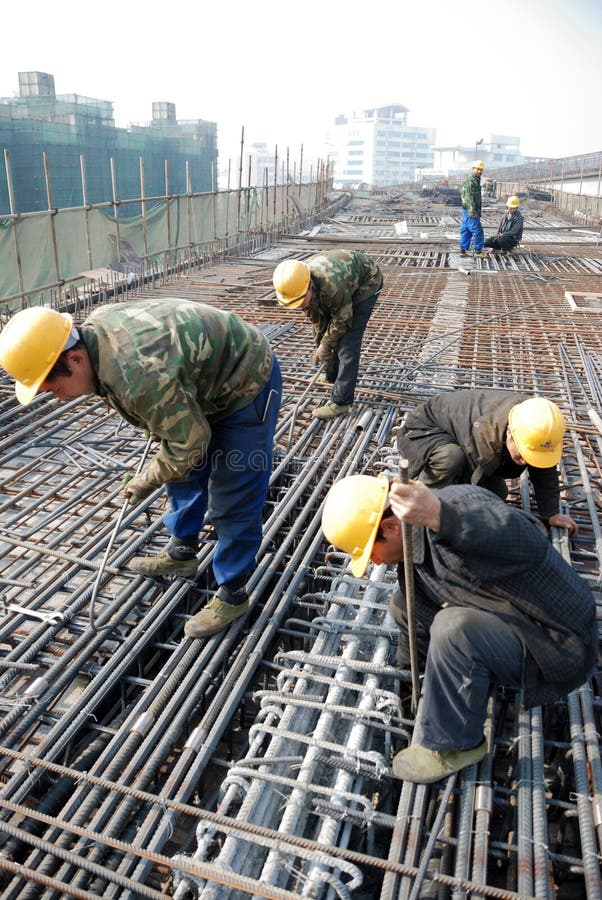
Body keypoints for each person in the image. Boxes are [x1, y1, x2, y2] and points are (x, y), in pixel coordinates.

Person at [0, 299, 282, 639]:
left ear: (75, 359)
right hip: (200, 379)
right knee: (182, 468)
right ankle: (182, 552)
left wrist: (145, 481)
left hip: (245, 380)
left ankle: (233, 592)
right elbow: (176, 431)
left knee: (233, 491)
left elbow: (189, 442)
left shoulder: (138, 376)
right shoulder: (95, 337)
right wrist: (159, 427)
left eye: (56, 388)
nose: (60, 398)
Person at [321, 474, 597, 783]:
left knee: (453, 629)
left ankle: (455, 746)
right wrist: (410, 685)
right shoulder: (416, 552)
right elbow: (416, 614)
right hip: (513, 619)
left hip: (556, 641)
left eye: (370, 553)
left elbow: (527, 537)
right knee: (403, 604)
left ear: (390, 527)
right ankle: (451, 696)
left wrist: (444, 518)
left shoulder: (455, 512)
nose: (374, 563)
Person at [396, 389, 578, 534]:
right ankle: (422, 507)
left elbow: (544, 468)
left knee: (497, 494)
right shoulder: (485, 436)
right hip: (424, 431)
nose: (525, 462)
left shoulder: (536, 425)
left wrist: (551, 513)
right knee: (451, 459)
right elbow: (468, 494)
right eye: (522, 454)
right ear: (510, 433)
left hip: (462, 434)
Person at [272, 250, 383, 419]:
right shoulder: (299, 284)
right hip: (342, 280)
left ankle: (341, 401)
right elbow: (318, 322)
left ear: (310, 285)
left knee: (348, 342)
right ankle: (331, 373)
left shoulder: (332, 287)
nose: (299, 306)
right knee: (324, 334)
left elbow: (342, 320)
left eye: (300, 300)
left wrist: (325, 345)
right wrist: (321, 345)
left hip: (366, 283)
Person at [459, 160, 485, 258]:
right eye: (478, 169)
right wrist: (472, 211)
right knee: (477, 230)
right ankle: (478, 251)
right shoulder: (471, 181)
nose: (479, 171)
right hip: (470, 209)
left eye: (481, 170)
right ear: (473, 169)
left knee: (466, 230)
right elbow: (469, 197)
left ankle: (462, 249)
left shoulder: (475, 180)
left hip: (467, 209)